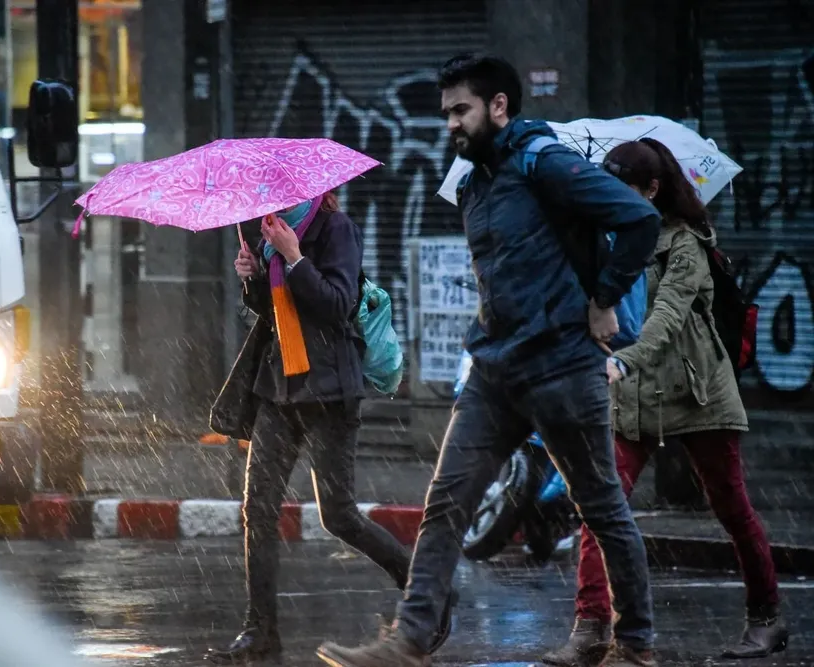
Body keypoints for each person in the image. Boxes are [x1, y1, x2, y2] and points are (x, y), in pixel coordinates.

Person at [316, 54, 662, 667]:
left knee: (601, 506)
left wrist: (606, 299)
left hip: (562, 368)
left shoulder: (545, 163)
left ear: (499, 106)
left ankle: (634, 643)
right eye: (446, 112)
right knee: (446, 504)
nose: (450, 123)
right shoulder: (473, 181)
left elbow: (637, 217)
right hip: (495, 371)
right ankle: (410, 640)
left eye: (461, 110)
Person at [542, 139, 789, 667]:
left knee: (731, 506)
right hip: (631, 395)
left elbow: (668, 316)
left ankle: (766, 618)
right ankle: (590, 628)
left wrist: (625, 360)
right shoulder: (603, 237)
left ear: (653, 190)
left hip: (697, 389)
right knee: (600, 507)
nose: (610, 199)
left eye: (623, 190)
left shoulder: (686, 244)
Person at [205, 194, 414, 664]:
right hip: (278, 388)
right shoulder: (268, 233)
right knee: (257, 509)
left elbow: (338, 304)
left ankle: (422, 589)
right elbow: (276, 314)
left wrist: (294, 256)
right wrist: (254, 278)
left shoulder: (335, 229)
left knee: (338, 515)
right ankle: (259, 632)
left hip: (330, 390)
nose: (272, 200)